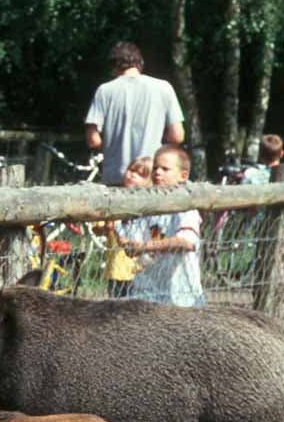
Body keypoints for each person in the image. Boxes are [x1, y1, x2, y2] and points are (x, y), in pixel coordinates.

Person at [84, 42, 185, 186]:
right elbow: (177, 136)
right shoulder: (164, 87)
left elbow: (92, 139)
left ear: (113, 67)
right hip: (150, 176)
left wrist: (113, 147)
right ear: (140, 63)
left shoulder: (104, 91)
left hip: (115, 177)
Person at [122, 145, 204, 307]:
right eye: (155, 168)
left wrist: (146, 247)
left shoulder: (186, 208)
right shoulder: (146, 207)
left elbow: (186, 241)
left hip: (181, 298)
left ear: (183, 175)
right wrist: (127, 243)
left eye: (165, 169)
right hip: (147, 294)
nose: (157, 172)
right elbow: (135, 243)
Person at [96, 156, 152, 299]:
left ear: (149, 182)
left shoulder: (149, 206)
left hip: (139, 269)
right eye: (131, 170)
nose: (133, 175)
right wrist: (108, 229)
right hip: (116, 268)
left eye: (141, 174)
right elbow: (97, 230)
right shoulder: (113, 199)